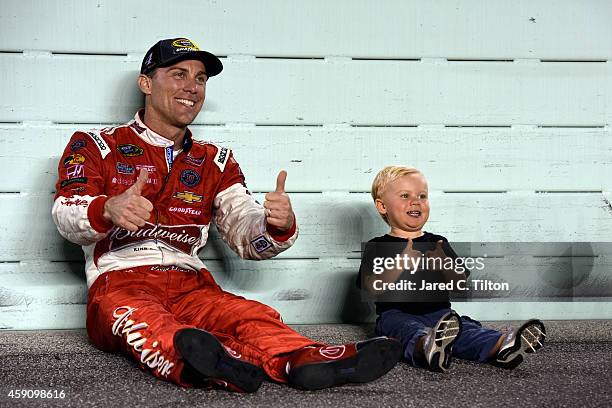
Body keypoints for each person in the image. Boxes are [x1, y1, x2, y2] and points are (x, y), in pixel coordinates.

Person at [52, 37, 401, 392]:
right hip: (121, 283)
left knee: (248, 315)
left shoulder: (216, 160)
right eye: (178, 74)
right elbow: (65, 214)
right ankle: (210, 364)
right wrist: (107, 208)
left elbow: (246, 236)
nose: (191, 87)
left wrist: (274, 226)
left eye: (200, 78)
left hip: (192, 285)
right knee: (151, 325)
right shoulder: (96, 144)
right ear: (146, 82)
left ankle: (303, 359)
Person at [357, 165, 546, 372]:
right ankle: (426, 346)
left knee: (465, 331)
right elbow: (372, 287)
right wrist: (401, 262)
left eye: (422, 196)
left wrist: (444, 263)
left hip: (441, 314)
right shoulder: (377, 246)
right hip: (396, 314)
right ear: (382, 206)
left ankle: (504, 346)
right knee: (405, 330)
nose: (416, 201)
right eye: (405, 195)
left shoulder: (438, 243)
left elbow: (459, 284)